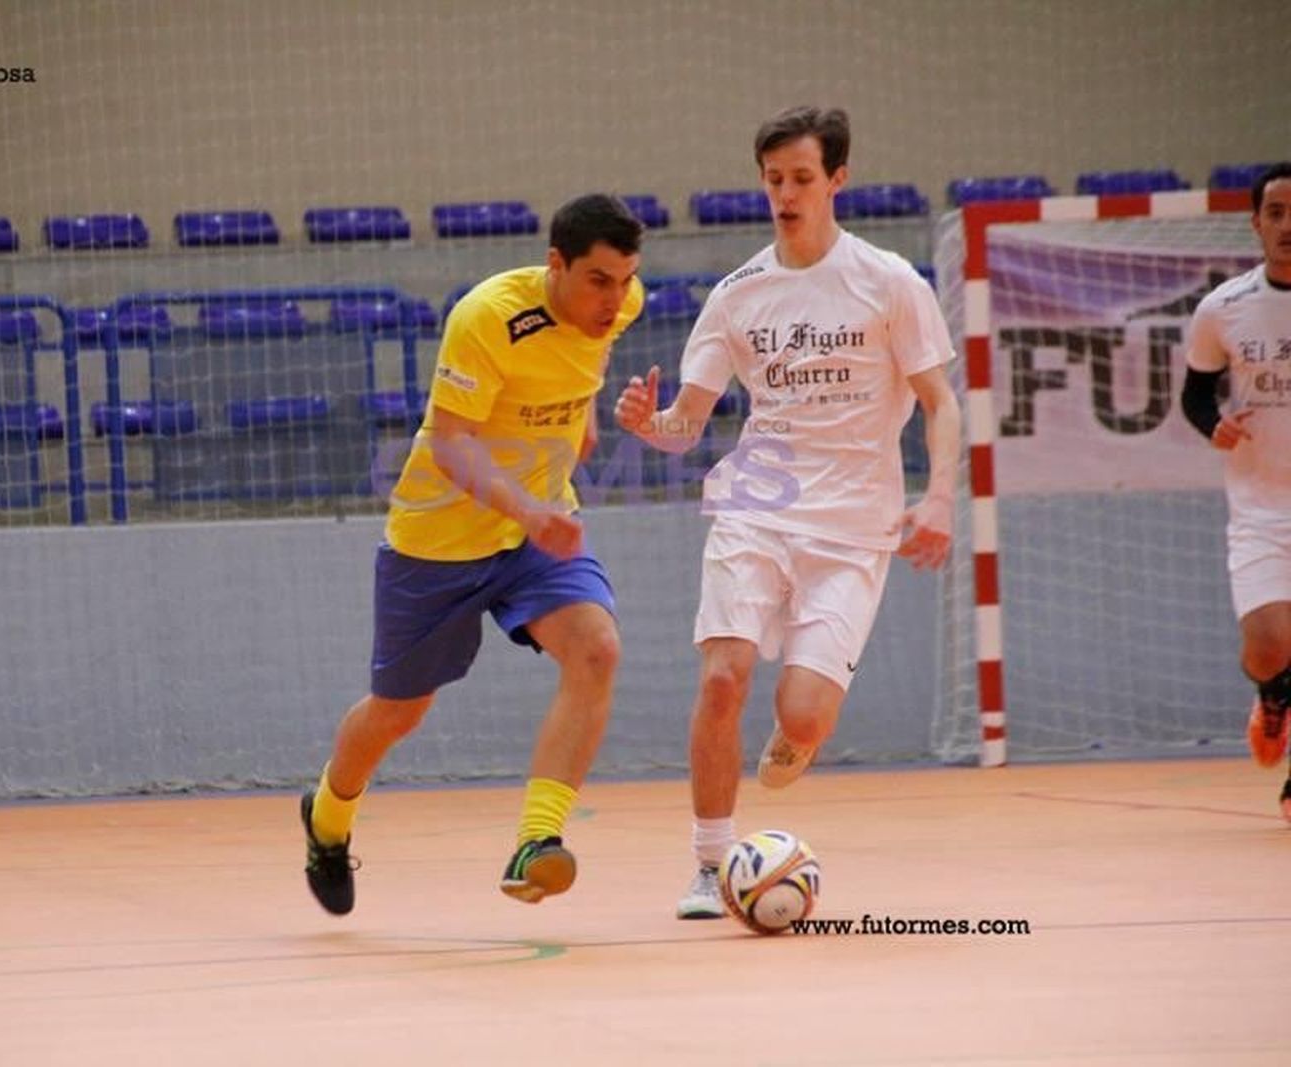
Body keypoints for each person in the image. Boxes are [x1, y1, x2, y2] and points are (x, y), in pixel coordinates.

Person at [612, 106, 961, 918]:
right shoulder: (738, 296)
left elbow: (940, 402)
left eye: (802, 178)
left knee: (799, 715)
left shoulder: (890, 283)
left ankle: (799, 732)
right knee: (724, 675)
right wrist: (648, 424)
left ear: (836, 179)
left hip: (853, 526)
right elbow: (685, 426)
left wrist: (938, 497)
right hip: (756, 508)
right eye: (773, 180)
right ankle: (707, 861)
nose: (786, 194)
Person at [300, 193, 646, 915]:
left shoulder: (621, 303)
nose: (614, 299)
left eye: (624, 280)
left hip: (535, 535)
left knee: (597, 649)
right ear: (556, 265)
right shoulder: (487, 317)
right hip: (440, 540)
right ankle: (327, 820)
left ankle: (537, 842)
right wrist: (527, 505)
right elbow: (449, 443)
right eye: (598, 281)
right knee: (398, 713)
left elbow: (587, 358)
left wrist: (580, 423)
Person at [1181, 161, 1291, 822]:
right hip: (1260, 507)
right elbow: (1195, 391)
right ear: (1255, 224)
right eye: (1275, 212)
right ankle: (1274, 693)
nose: (1288, 225)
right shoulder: (1222, 309)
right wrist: (1211, 424)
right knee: (1268, 643)